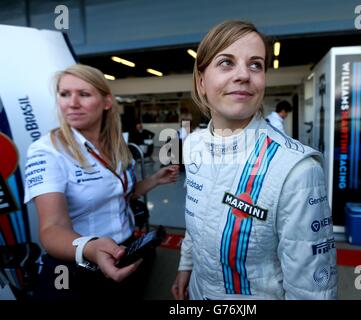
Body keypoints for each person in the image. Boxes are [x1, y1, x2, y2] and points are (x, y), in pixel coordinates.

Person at [171, 20, 337, 300]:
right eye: (226, 62)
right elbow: (197, 219)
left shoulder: (297, 170)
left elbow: (312, 291)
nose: (243, 75)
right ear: (201, 82)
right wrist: (186, 265)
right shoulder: (194, 145)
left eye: (255, 65)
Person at [24, 64, 179, 299]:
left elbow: (120, 195)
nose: (72, 103)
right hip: (77, 266)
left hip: (125, 251)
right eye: (65, 94)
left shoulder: (115, 147)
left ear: (107, 102)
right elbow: (51, 229)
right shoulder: (47, 151)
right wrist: (89, 248)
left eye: (84, 94)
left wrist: (155, 180)